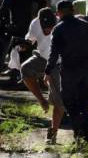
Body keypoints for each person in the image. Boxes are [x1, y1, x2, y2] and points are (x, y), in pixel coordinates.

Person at [44, 1, 88, 145]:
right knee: (85, 105)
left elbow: (54, 53)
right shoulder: (86, 26)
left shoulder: (58, 28)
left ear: (60, 12)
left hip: (69, 70)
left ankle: (78, 137)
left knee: (70, 104)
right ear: (73, 10)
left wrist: (48, 70)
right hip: (85, 69)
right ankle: (85, 139)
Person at [20, 8, 64, 144]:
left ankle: (53, 133)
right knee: (25, 69)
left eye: (51, 27)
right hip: (42, 58)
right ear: (39, 23)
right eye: (45, 28)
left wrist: (49, 73)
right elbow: (30, 40)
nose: (48, 31)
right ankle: (42, 101)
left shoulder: (62, 25)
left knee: (59, 101)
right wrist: (23, 46)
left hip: (59, 63)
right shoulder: (35, 23)